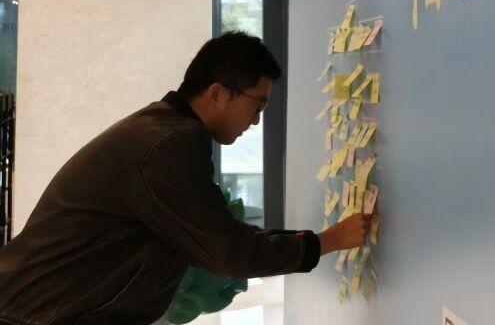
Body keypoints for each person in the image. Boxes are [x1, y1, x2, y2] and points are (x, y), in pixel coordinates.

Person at [0, 32, 372, 324]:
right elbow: (229, 253)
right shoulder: (170, 144)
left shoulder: (160, 130)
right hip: (37, 314)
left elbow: (215, 233)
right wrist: (327, 242)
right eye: (256, 106)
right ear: (218, 93)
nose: (256, 121)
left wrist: (310, 241)